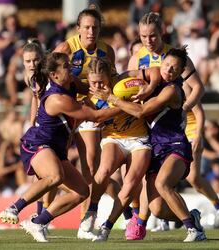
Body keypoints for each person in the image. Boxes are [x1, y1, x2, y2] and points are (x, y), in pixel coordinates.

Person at [0, 52, 120, 242]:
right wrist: (126, 105)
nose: (70, 67)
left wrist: (109, 83)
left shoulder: (71, 83)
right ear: (54, 75)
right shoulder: (57, 98)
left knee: (81, 192)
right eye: (65, 65)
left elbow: (90, 88)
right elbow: (94, 116)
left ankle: (39, 221)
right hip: (38, 143)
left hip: (56, 147)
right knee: (55, 176)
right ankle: (14, 208)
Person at [127, 12, 219, 237]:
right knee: (155, 203)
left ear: (162, 31)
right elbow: (129, 90)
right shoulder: (137, 59)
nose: (148, 41)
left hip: (174, 130)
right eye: (143, 36)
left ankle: (212, 212)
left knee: (182, 179)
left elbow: (198, 88)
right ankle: (155, 218)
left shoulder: (174, 57)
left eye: (152, 35)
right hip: (150, 130)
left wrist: (183, 109)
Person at [92, 48, 207, 242]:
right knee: (158, 209)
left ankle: (194, 231)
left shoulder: (171, 90)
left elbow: (141, 112)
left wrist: (112, 98)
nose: (168, 70)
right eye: (167, 65)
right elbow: (133, 73)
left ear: (179, 73)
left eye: (174, 69)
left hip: (175, 145)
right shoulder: (154, 75)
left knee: (163, 184)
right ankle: (192, 217)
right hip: (157, 148)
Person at [54, 7, 130, 239]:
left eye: (95, 27)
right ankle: (84, 220)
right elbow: (52, 76)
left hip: (104, 112)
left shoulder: (107, 50)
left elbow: (114, 79)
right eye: (86, 27)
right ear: (78, 28)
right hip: (78, 112)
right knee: (88, 165)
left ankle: (125, 212)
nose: (91, 31)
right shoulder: (66, 48)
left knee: (100, 171)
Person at [78, 58, 152, 241]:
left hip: (139, 139)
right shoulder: (86, 94)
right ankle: (92, 210)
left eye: (101, 81)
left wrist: (114, 98)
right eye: (93, 82)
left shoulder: (125, 85)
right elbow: (95, 118)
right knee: (102, 172)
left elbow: (140, 108)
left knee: (130, 182)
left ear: (110, 76)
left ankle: (107, 227)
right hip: (114, 138)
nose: (97, 85)